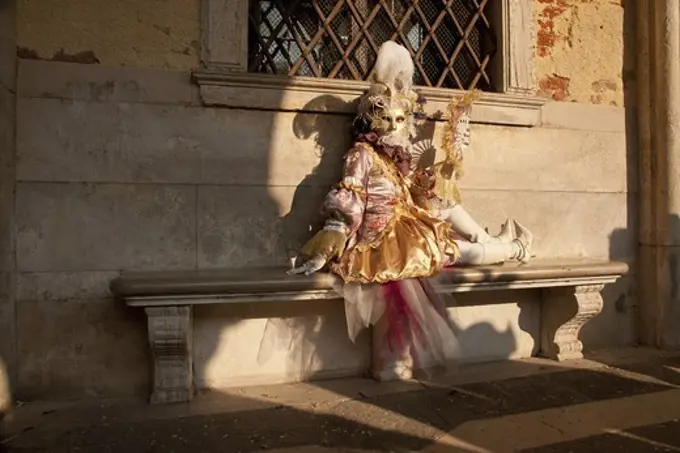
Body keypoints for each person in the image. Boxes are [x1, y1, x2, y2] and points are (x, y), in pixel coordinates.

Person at [287, 41, 533, 377]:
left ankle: (510, 246)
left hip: (406, 232)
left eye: (398, 119)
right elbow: (352, 197)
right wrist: (332, 235)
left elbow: (413, 199)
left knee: (448, 246)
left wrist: (427, 184)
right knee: (429, 270)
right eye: (383, 117)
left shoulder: (394, 160)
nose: (390, 125)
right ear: (369, 119)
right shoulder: (361, 155)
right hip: (376, 244)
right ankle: (512, 247)